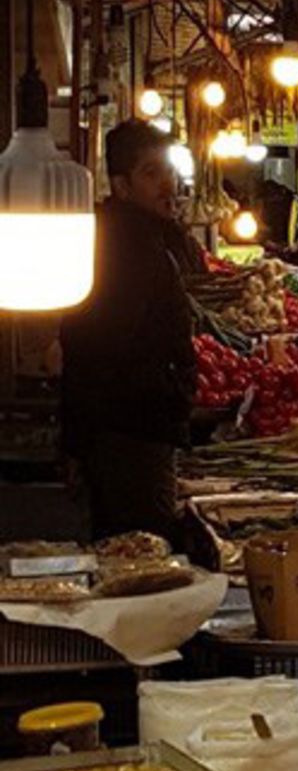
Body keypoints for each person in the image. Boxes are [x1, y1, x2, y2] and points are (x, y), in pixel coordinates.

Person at [59, 121, 197, 542]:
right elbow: (104, 345)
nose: (167, 184)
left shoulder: (148, 239)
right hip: (130, 433)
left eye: (169, 171)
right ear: (121, 185)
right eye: (151, 174)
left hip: (132, 427)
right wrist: (173, 391)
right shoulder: (124, 247)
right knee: (140, 547)